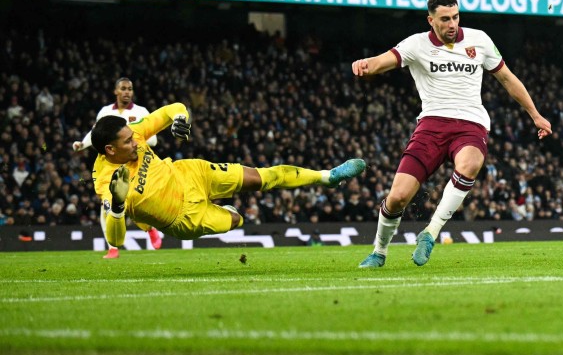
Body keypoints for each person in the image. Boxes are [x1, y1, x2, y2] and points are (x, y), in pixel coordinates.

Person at [351, 0, 552, 269]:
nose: (452, 24)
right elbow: (382, 61)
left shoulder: (480, 40)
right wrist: (365, 64)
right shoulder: (416, 44)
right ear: (430, 20)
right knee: (397, 198)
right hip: (431, 126)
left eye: (456, 17)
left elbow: (507, 78)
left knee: (470, 164)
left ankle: (430, 233)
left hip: (470, 124)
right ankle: (379, 252)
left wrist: (535, 115)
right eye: (445, 19)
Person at [89, 103, 366, 247]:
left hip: (191, 173)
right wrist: (118, 205)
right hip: (183, 217)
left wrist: (180, 119)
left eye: (133, 136)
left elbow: (174, 108)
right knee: (235, 219)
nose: (136, 142)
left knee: (261, 177)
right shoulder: (105, 181)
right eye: (128, 142)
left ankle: (327, 176)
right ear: (110, 150)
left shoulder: (134, 132)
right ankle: (228, 211)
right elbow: (116, 240)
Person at [73, 77, 163, 259]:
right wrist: (82, 144)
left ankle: (150, 228)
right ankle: (112, 247)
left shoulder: (141, 112)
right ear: (116, 91)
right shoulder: (106, 112)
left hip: (134, 163)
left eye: (130, 89)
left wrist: (132, 137)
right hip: (111, 164)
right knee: (106, 205)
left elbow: (153, 139)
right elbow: (96, 133)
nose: (127, 92)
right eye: (123, 88)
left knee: (135, 201)